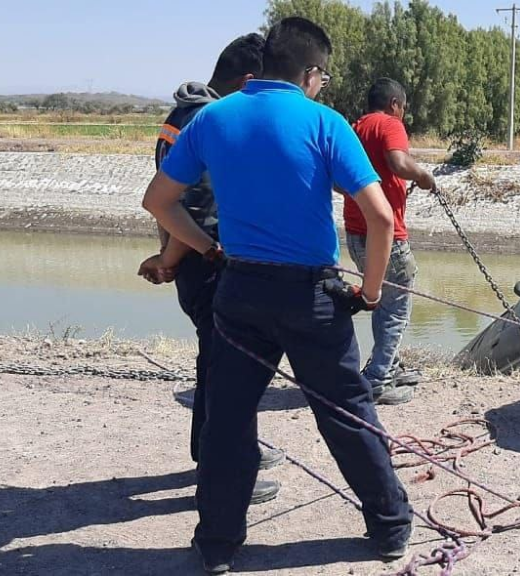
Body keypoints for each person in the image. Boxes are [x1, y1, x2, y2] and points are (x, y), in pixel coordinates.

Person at [141, 17, 412, 574]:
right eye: (324, 77)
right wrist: (371, 291)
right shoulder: (323, 122)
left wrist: (207, 251)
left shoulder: (213, 117)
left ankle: (216, 545)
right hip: (312, 296)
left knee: (228, 420)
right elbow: (381, 218)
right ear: (311, 73)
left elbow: (159, 201)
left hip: (238, 293)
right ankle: (389, 529)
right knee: (347, 413)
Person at [136, 33, 284, 506]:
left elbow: (166, 202)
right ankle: (227, 471)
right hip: (209, 260)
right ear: (249, 80)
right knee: (229, 370)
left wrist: (167, 256)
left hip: (191, 259)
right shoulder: (211, 121)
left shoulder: (180, 116)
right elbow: (195, 209)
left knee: (215, 362)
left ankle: (216, 452)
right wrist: (176, 257)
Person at [343, 78, 435, 405]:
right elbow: (398, 161)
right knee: (397, 305)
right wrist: (424, 177)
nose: (403, 113)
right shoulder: (389, 124)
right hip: (388, 235)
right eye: (404, 107)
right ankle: (379, 378)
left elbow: (339, 181)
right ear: (395, 104)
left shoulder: (354, 128)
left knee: (382, 301)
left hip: (355, 234)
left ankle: (389, 364)